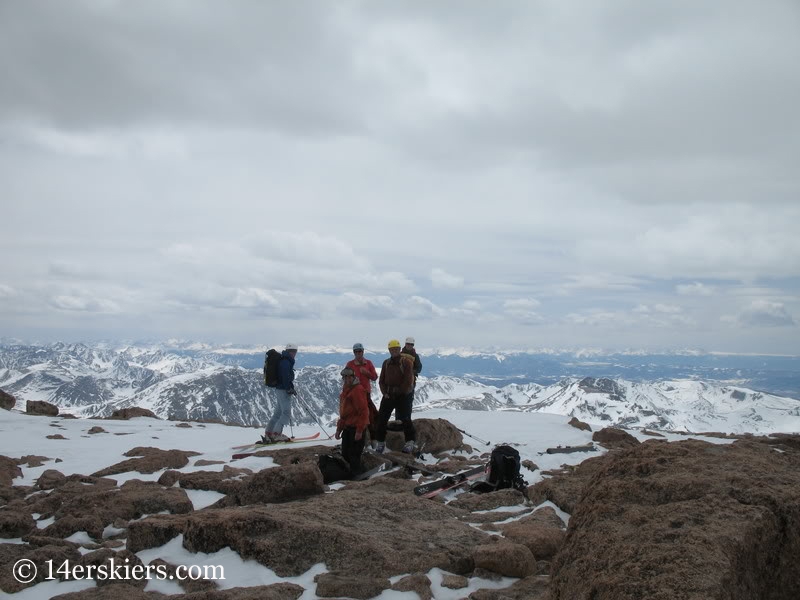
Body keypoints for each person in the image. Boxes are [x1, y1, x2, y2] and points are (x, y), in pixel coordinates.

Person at [376, 339, 416, 454]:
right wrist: (385, 393)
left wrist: (399, 392)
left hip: (402, 395)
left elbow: (408, 380)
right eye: (392, 349)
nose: (394, 351)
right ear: (389, 350)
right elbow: (381, 380)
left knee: (405, 419)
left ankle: (410, 441)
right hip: (389, 395)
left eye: (396, 349)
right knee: (382, 419)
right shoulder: (386, 363)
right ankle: (381, 442)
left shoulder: (406, 362)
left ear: (399, 349)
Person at [335, 367, 370, 475]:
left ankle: (358, 475)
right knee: (346, 453)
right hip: (347, 427)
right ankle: (357, 471)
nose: (346, 379)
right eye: (344, 377)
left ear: (353, 377)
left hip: (356, 428)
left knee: (353, 454)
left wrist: (359, 430)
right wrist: (339, 429)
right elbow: (344, 414)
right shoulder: (346, 389)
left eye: (348, 376)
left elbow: (363, 411)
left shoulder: (357, 390)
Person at [345, 342, 379, 447]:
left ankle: (372, 438)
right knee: (354, 416)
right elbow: (346, 379)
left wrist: (366, 373)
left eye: (360, 351)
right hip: (353, 394)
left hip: (365, 394)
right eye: (356, 352)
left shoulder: (368, 363)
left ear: (363, 352)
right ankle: (355, 439)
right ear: (354, 353)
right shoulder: (350, 364)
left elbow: (374, 377)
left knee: (369, 416)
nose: (358, 353)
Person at [263, 343, 298, 443]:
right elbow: (285, 376)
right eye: (294, 351)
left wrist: (290, 387)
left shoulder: (284, 360)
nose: (294, 353)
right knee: (286, 412)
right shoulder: (286, 362)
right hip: (283, 390)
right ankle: (276, 434)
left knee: (278, 413)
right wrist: (289, 388)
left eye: (295, 351)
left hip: (279, 389)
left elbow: (284, 376)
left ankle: (269, 433)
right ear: (290, 351)